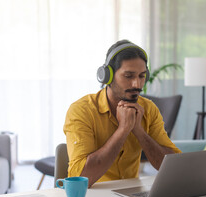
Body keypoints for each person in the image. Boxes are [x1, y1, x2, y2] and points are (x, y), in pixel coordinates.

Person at [63, 40, 181, 187]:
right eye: (128, 76)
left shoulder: (149, 109)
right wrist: (123, 129)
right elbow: (80, 177)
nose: (137, 85)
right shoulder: (81, 111)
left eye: (141, 76)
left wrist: (139, 131)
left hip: (131, 195)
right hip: (92, 196)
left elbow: (174, 167)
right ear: (107, 76)